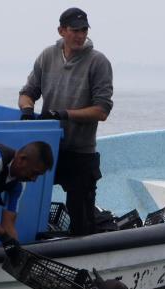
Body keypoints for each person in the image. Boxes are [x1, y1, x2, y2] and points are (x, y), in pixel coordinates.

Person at [18, 7, 114, 236]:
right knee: (27, 199)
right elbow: (27, 92)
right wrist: (28, 111)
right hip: (49, 149)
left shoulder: (98, 62)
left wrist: (64, 114)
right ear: (61, 30)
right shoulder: (47, 56)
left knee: (82, 220)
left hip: (81, 153)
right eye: (74, 30)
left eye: (84, 30)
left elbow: (102, 111)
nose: (80, 35)